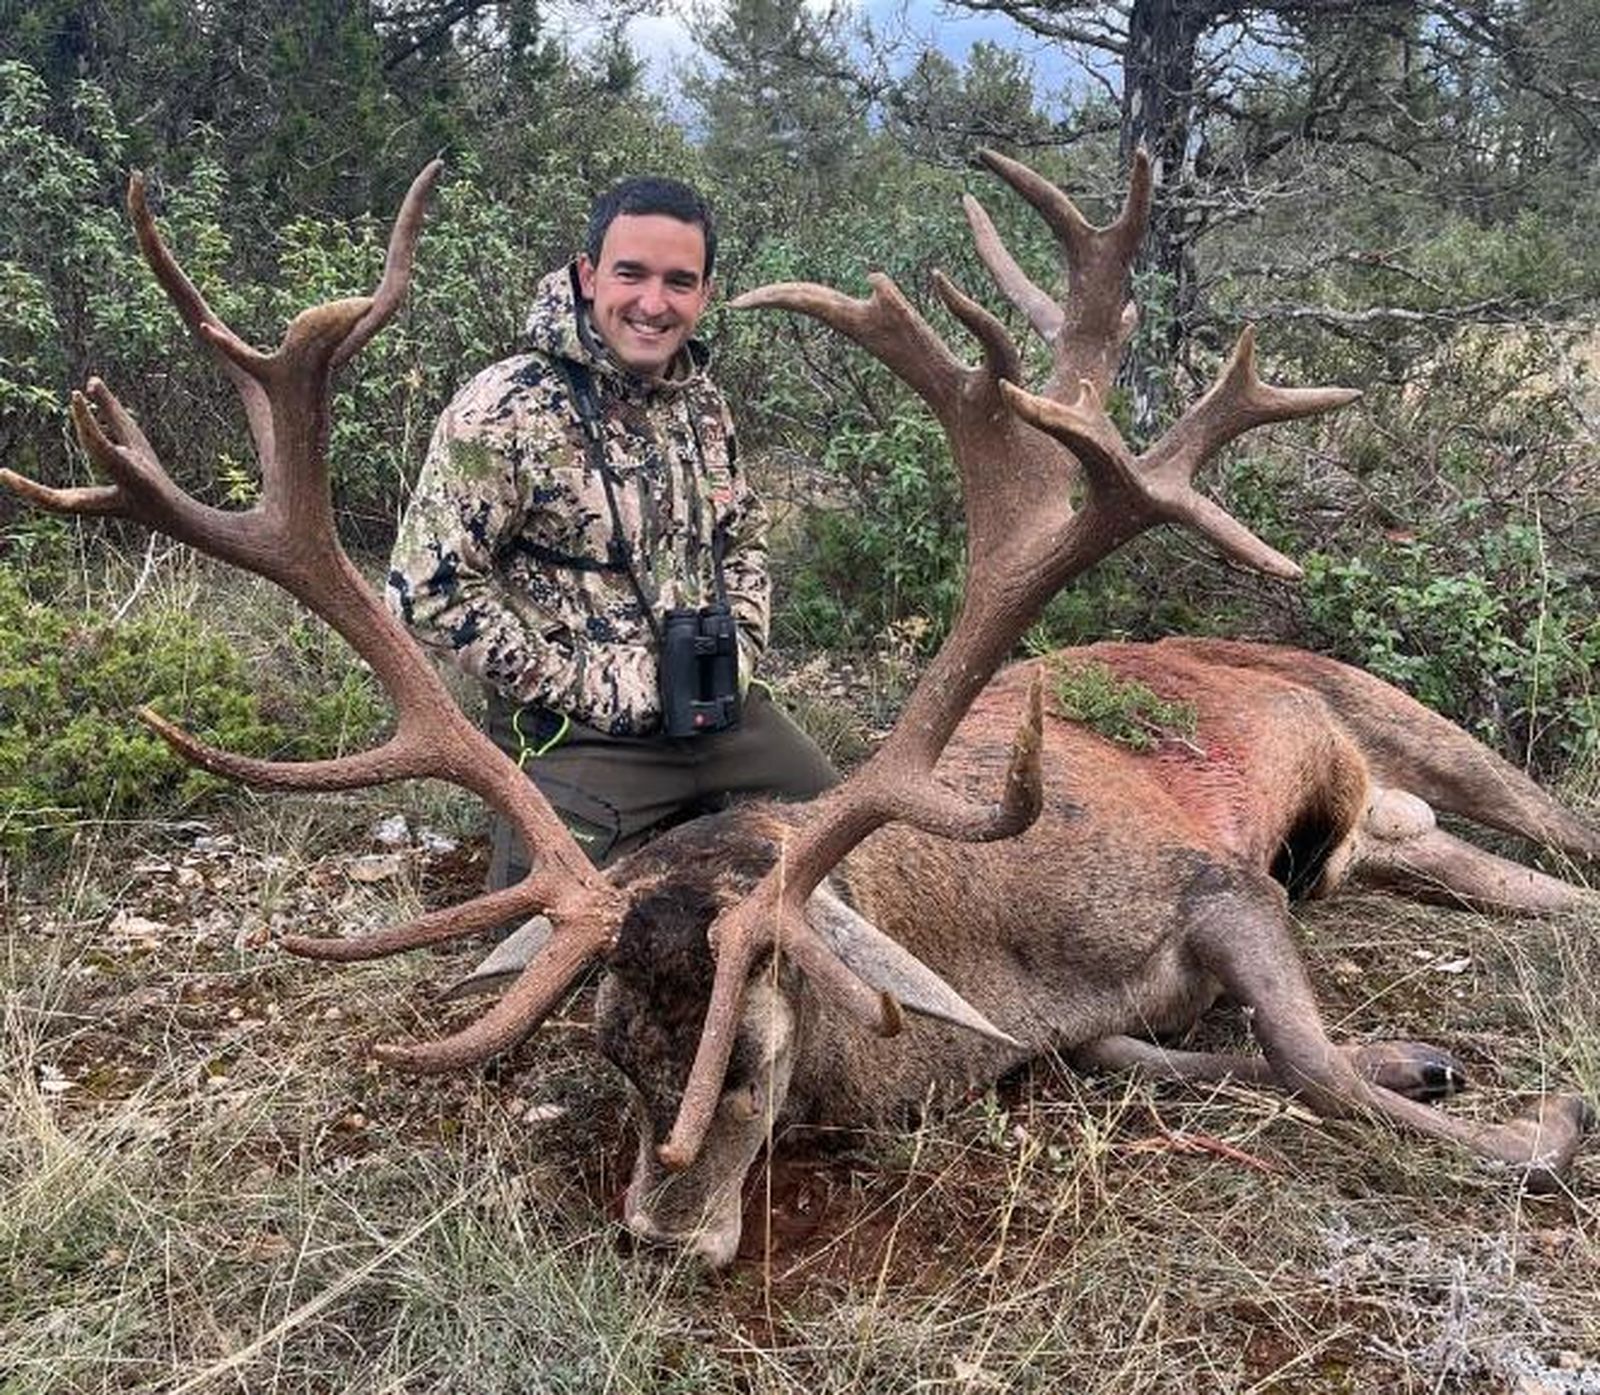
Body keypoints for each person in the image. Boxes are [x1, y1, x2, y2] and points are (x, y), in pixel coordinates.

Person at [387, 175, 837, 882]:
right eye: (631, 273)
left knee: (853, 846)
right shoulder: (504, 408)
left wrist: (739, 650)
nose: (653, 304)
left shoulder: (704, 404)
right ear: (589, 274)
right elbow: (427, 592)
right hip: (579, 734)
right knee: (542, 945)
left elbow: (743, 539)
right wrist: (594, 684)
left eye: (679, 281)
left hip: (718, 717)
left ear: (705, 294)